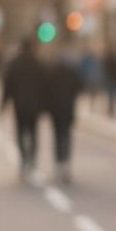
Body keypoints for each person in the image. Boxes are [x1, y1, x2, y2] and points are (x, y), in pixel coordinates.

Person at [1, 37, 46, 178]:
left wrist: (3, 104)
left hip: (19, 104)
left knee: (21, 133)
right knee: (33, 132)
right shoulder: (37, 63)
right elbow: (45, 86)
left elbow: (8, 85)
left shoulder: (15, 64)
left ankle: (23, 159)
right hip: (34, 105)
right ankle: (31, 159)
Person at [43, 50, 83, 184]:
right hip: (68, 109)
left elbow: (46, 90)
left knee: (57, 137)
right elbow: (79, 87)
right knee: (66, 136)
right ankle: (65, 162)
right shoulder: (72, 73)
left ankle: (59, 163)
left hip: (55, 110)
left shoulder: (52, 72)